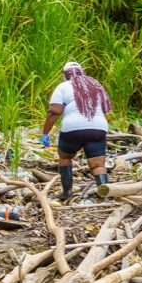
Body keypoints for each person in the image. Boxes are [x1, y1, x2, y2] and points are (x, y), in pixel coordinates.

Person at [42, 62, 112, 201]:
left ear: (65, 75)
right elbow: (105, 108)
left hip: (72, 130)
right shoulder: (95, 85)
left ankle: (67, 191)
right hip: (97, 128)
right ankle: (104, 195)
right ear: (82, 72)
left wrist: (45, 132)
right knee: (98, 165)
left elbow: (54, 112)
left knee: (65, 157)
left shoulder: (63, 87)